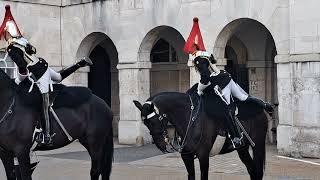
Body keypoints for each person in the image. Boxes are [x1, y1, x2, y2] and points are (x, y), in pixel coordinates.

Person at [0, 5, 92, 145]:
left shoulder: (11, 48)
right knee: (59, 77)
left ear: (7, 34)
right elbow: (33, 50)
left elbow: (23, 69)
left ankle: (46, 135)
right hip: (44, 65)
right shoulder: (23, 41)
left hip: (38, 72)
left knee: (45, 104)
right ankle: (80, 63)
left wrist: (18, 80)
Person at [184, 17, 273, 149]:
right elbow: (214, 66)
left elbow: (205, 78)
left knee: (224, 108)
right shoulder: (207, 55)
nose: (189, 51)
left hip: (218, 83)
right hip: (225, 76)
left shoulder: (198, 59)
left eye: (190, 49)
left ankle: (236, 138)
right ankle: (264, 104)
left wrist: (200, 90)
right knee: (243, 97)